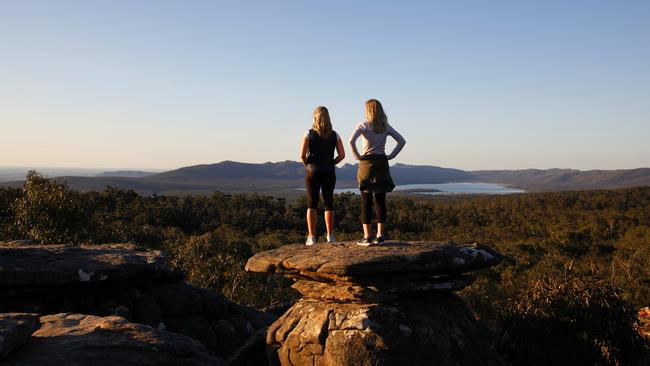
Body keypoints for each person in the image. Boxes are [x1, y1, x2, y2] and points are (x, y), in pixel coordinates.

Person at [349, 99, 406, 246]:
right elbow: (401, 141)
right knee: (380, 201)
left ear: (368, 110)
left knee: (366, 201)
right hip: (381, 162)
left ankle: (367, 237)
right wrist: (391, 155)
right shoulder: (385, 126)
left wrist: (357, 156)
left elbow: (351, 141)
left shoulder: (363, 125)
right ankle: (380, 236)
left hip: (366, 163)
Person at [300, 106, 345, 245]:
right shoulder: (334, 135)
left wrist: (308, 165)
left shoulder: (309, 133)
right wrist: (332, 162)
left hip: (312, 172)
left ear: (315, 117)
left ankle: (312, 237)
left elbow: (302, 155)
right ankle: (330, 235)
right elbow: (342, 155)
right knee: (328, 202)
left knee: (312, 203)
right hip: (329, 171)